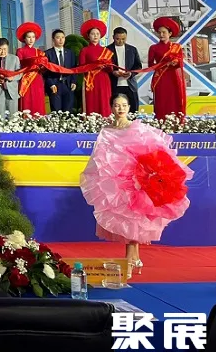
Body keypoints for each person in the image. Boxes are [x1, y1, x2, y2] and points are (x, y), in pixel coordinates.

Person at [80, 93, 193, 276]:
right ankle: (135, 259)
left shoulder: (137, 128)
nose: (121, 108)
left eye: (124, 105)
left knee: (134, 221)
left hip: (135, 182)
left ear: (129, 107)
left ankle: (130, 261)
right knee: (126, 221)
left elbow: (153, 149)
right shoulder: (106, 131)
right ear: (111, 108)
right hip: (116, 183)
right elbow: (99, 157)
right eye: (117, 105)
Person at [148, 17, 187, 119]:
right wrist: (162, 64)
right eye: (159, 32)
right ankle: (161, 121)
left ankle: (176, 122)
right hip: (160, 78)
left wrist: (176, 62)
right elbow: (150, 65)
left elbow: (181, 62)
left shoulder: (176, 47)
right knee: (161, 100)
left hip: (174, 78)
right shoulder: (153, 48)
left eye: (164, 32)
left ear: (170, 33)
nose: (161, 35)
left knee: (175, 99)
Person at [78, 20, 112, 117]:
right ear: (88, 36)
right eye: (93, 34)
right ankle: (90, 122)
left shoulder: (106, 50)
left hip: (103, 80)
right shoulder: (84, 50)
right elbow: (81, 67)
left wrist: (106, 66)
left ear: (100, 35)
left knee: (104, 100)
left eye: (97, 34)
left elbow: (110, 69)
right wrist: (94, 65)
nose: (95, 36)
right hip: (90, 80)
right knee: (91, 101)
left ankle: (105, 120)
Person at [107, 27, 142, 112]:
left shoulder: (132, 49)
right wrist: (113, 72)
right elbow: (104, 67)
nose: (121, 41)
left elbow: (138, 66)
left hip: (130, 84)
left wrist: (131, 74)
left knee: (133, 109)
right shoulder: (107, 50)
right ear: (113, 37)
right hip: (114, 84)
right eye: (118, 39)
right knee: (114, 109)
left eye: (123, 39)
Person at [15, 22, 46, 115]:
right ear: (24, 39)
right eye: (29, 37)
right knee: (27, 99)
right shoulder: (20, 51)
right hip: (26, 79)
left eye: (33, 37)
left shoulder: (39, 52)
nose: (31, 39)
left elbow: (43, 68)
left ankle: (39, 120)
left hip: (37, 78)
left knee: (38, 99)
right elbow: (19, 66)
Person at [44, 29, 77, 113]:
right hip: (55, 86)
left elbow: (74, 69)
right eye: (58, 37)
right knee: (56, 112)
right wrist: (51, 84)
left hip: (68, 85)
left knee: (68, 112)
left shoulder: (70, 53)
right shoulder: (47, 54)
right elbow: (45, 72)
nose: (61, 40)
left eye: (63, 37)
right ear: (53, 39)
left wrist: (74, 81)